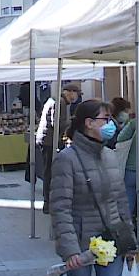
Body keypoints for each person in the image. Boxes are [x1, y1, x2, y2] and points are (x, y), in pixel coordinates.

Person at [49, 99, 136, 276]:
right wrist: (71, 250)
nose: (111, 124)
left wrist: (129, 240)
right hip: (81, 244)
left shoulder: (110, 156)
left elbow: (121, 201)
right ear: (88, 123)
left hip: (110, 241)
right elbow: (60, 207)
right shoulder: (67, 159)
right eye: (105, 119)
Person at [35, 83, 82, 213]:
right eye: (76, 94)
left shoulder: (57, 101)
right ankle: (48, 203)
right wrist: (72, 123)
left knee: (50, 171)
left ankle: (49, 202)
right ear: (70, 92)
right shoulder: (59, 102)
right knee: (50, 172)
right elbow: (58, 124)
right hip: (50, 142)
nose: (76, 98)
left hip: (48, 140)